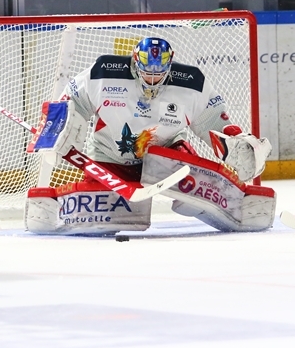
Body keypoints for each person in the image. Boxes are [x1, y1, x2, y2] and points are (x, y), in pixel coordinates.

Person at [24, 36, 276, 235]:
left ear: (170, 63)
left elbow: (214, 121)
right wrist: (54, 127)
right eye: (147, 72)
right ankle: (52, 209)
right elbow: (70, 102)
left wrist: (236, 139)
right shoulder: (102, 72)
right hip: (109, 155)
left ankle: (235, 203)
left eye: (159, 73)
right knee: (105, 212)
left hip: (168, 158)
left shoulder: (191, 83)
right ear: (135, 61)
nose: (152, 79)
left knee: (192, 199)